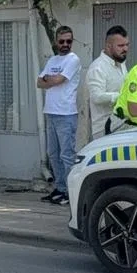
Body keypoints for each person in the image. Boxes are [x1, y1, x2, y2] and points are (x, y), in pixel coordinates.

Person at [37, 25, 82, 206]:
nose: (65, 44)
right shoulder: (53, 60)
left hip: (66, 114)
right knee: (53, 154)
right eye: (62, 41)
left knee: (67, 155)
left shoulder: (73, 59)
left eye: (68, 41)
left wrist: (49, 79)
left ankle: (71, 193)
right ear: (56, 42)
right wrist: (49, 80)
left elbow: (57, 80)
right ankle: (60, 188)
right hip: (51, 112)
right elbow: (39, 82)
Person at [86, 25, 130, 141]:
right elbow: (96, 97)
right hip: (104, 130)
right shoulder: (98, 67)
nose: (125, 49)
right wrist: (123, 97)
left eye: (127, 45)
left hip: (121, 124)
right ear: (108, 46)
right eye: (120, 46)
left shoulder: (121, 63)